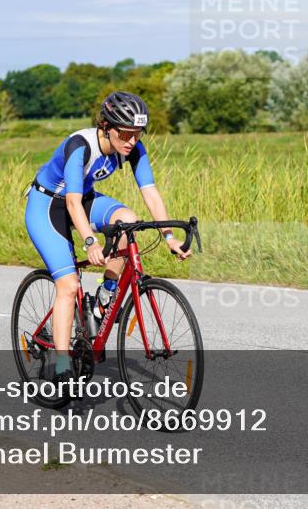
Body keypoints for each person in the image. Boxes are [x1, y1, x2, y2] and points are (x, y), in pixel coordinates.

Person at [25, 91, 190, 383]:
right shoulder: (81, 146)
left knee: (130, 223)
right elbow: (72, 203)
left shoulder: (134, 149)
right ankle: (62, 362)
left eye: (137, 134)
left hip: (84, 198)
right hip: (47, 205)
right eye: (125, 133)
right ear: (106, 126)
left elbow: (150, 193)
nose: (131, 141)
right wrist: (90, 241)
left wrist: (169, 237)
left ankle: (105, 295)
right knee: (68, 284)